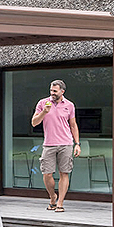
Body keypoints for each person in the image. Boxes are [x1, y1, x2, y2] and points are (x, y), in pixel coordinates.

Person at [31, 80, 80, 212]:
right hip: (49, 144)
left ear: (62, 91)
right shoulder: (43, 103)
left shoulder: (69, 105)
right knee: (47, 173)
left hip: (66, 144)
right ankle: (53, 197)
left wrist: (77, 144)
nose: (52, 93)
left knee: (64, 173)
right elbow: (34, 123)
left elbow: (73, 125)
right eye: (51, 90)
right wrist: (44, 112)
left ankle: (60, 203)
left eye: (55, 91)